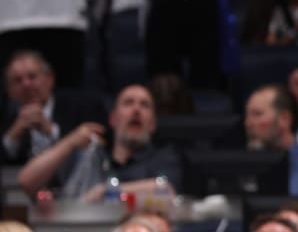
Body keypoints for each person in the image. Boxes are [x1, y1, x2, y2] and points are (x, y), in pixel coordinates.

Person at [17, 82, 178, 198]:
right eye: (128, 103)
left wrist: (105, 191)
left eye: (144, 105)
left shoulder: (165, 157)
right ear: (113, 119)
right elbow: (27, 182)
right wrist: (70, 142)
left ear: (153, 124)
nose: (136, 110)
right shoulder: (90, 157)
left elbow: (165, 189)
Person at [2, 49, 104, 166]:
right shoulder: (6, 117)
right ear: (9, 90)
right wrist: (12, 136)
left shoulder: (84, 105)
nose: (26, 84)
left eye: (32, 77)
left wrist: (51, 130)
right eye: (17, 80)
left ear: (50, 79)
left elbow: (99, 146)